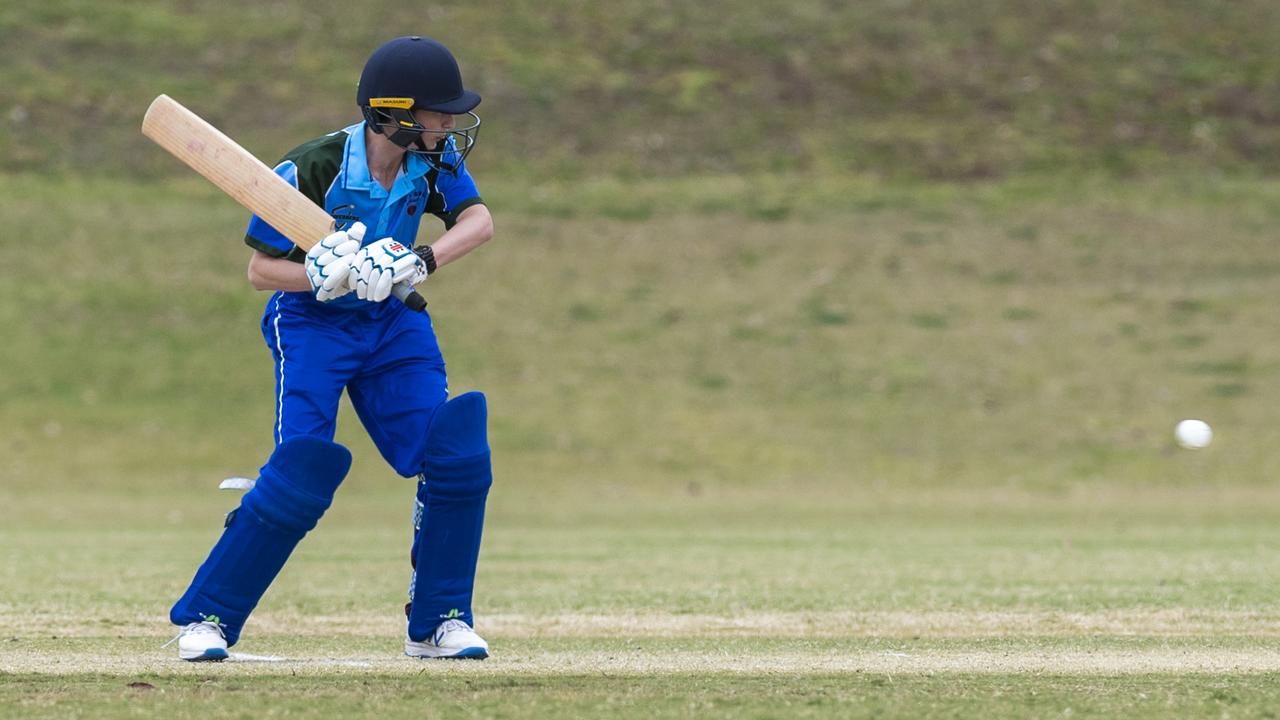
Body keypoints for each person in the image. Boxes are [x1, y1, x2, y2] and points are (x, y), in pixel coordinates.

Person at [165, 36, 496, 661]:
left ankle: (438, 621)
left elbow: (478, 222)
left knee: (455, 452)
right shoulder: (310, 168)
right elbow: (262, 272)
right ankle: (207, 618)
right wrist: (322, 274)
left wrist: (415, 263)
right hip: (312, 325)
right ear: (391, 114)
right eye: (438, 110)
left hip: (393, 323)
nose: (450, 122)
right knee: (303, 470)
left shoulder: (438, 161)